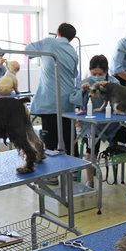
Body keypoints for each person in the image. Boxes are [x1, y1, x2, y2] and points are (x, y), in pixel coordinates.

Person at [26, 23, 80, 185]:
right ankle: (74, 169)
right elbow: (74, 73)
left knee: (50, 140)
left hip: (50, 100)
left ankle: (50, 175)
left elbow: (28, 50)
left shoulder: (49, 42)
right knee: (69, 135)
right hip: (67, 101)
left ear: (58, 32)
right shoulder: (72, 51)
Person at [79, 55, 121, 188]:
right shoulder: (86, 82)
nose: (97, 76)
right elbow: (75, 101)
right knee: (91, 149)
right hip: (92, 125)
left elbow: (120, 100)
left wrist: (111, 88)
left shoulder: (114, 82)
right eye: (94, 73)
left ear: (106, 71)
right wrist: (83, 91)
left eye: (100, 74)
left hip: (111, 124)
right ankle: (90, 180)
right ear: (90, 71)